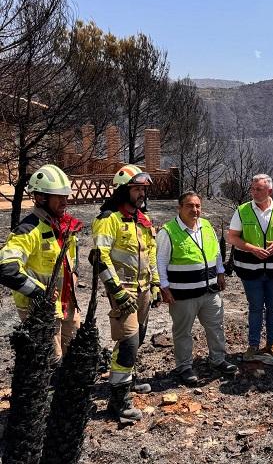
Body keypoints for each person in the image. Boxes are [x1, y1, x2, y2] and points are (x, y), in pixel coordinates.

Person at [91, 164, 160, 422]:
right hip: (123, 290)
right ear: (123, 190)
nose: (142, 194)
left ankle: (127, 381)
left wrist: (155, 283)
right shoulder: (109, 219)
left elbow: (150, 252)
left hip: (143, 289)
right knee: (128, 343)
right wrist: (116, 291)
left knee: (138, 338)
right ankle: (118, 402)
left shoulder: (143, 220)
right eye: (137, 189)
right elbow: (99, 258)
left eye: (144, 189)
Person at [0, 164, 82, 363]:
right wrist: (39, 291)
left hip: (67, 306)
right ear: (40, 197)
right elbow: (6, 268)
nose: (65, 201)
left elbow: (73, 258)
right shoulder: (28, 229)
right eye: (59, 196)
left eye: (66, 196)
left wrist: (75, 274)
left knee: (72, 358)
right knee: (49, 362)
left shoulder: (64, 227)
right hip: (39, 309)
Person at [157, 191, 237, 385]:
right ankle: (184, 366)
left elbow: (216, 252)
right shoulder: (168, 231)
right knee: (183, 331)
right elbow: (160, 261)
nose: (194, 210)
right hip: (183, 294)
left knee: (215, 326)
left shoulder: (206, 226)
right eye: (189, 206)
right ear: (180, 208)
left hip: (210, 291)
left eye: (197, 206)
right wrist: (164, 287)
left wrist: (220, 272)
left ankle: (218, 360)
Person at [227, 174, 273, 364]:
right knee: (255, 308)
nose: (254, 192)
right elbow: (232, 237)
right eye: (253, 188)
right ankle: (253, 345)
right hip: (250, 270)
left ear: (269, 191)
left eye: (259, 189)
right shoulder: (242, 211)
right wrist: (251, 248)